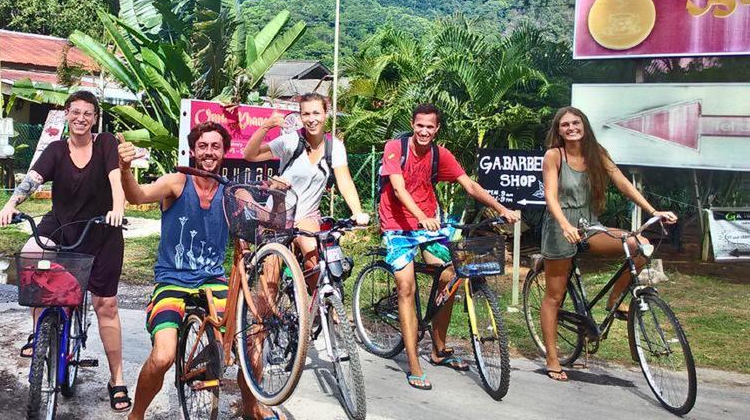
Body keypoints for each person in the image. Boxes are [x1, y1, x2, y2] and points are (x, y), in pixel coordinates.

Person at [118, 121, 279, 420]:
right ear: (193, 150)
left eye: (215, 147)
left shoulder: (233, 192)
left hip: (212, 280)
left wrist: (278, 194)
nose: (209, 152)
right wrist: (125, 169)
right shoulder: (176, 183)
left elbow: (267, 218)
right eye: (203, 146)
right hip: (171, 281)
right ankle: (136, 415)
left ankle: (250, 408)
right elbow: (137, 196)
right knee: (164, 355)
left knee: (250, 343)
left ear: (224, 153)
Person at [0, 90, 131, 413]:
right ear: (67, 114)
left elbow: (116, 182)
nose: (81, 118)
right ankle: (40, 333)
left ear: (95, 118)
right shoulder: (56, 150)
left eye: (88, 113)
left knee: (105, 304)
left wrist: (118, 209)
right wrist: (10, 204)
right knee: (32, 260)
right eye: (75, 112)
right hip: (61, 226)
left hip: (101, 229)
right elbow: (33, 180)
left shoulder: (106, 144)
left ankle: (118, 379)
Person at [378, 103, 520, 390]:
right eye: (420, 125)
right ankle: (414, 364)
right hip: (397, 225)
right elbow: (397, 188)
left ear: (437, 128)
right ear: (413, 123)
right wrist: (419, 216)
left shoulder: (439, 154)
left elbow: (470, 185)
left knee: (450, 276)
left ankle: (438, 349)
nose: (424, 131)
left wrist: (501, 208)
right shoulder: (396, 147)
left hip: (429, 223)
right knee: (407, 287)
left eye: (430, 127)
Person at [538, 106, 677, 382]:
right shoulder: (554, 156)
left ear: (584, 125)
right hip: (559, 228)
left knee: (639, 246)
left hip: (589, 226)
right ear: (559, 131)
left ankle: (615, 300)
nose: (571, 128)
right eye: (565, 125)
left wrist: (652, 211)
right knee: (554, 296)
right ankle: (553, 358)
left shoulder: (596, 154)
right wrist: (565, 225)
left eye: (575, 123)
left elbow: (623, 183)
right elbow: (551, 197)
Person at [243, 92, 370, 285]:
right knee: (270, 280)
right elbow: (250, 155)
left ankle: (322, 310)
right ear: (301, 117)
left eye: (316, 113)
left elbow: (345, 182)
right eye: (306, 114)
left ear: (326, 114)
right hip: (278, 215)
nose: (311, 120)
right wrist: (266, 126)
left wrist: (357, 212)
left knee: (315, 262)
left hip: (307, 215)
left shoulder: (334, 147)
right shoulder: (291, 141)